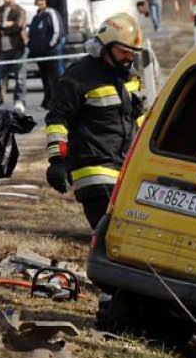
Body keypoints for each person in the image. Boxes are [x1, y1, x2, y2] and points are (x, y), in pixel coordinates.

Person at [43, 13, 145, 229]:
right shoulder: (78, 77)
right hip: (94, 171)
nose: (129, 57)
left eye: (133, 53)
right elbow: (57, 120)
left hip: (127, 167)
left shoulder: (129, 75)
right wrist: (57, 161)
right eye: (123, 51)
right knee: (110, 233)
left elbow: (137, 116)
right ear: (105, 47)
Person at [0, 0, 27, 113]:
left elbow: (18, 26)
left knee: (20, 77)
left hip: (18, 48)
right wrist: (5, 24)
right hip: (3, 50)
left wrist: (4, 27)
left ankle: (19, 101)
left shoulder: (19, 11)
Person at [27, 0, 61, 108]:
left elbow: (56, 31)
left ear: (47, 1)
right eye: (38, 0)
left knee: (53, 78)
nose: (40, 2)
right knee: (45, 78)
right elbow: (31, 34)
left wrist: (50, 45)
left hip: (50, 53)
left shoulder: (51, 13)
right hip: (39, 54)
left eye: (42, 0)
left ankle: (56, 101)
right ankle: (47, 100)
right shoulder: (36, 16)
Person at [43, 0, 68, 75]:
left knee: (58, 62)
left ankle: (63, 84)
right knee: (59, 61)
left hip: (58, 30)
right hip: (62, 29)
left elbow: (50, 9)